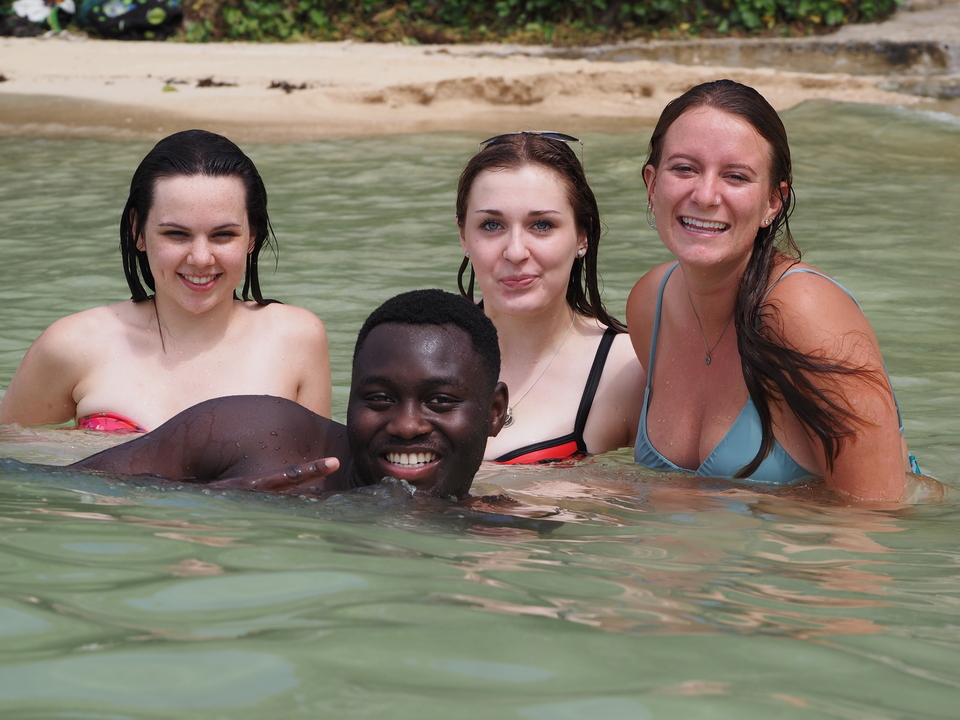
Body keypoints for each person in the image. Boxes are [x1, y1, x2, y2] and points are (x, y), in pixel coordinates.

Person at [627, 79, 918, 502]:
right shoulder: (650, 302)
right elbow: (682, 494)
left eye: (736, 176)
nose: (705, 195)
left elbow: (877, 514)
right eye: (685, 169)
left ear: (772, 202)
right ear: (652, 184)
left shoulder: (803, 312)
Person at [0, 129, 330, 433]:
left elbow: (321, 472)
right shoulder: (72, 344)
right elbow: (12, 458)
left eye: (223, 235)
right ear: (138, 230)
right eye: (176, 234)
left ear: (252, 236)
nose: (201, 258)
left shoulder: (296, 339)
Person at [72, 289, 509, 500]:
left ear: (494, 412)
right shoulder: (252, 434)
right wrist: (209, 501)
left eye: (439, 401)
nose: (406, 425)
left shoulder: (499, 529)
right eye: (379, 399)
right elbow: (55, 489)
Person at [456, 131, 644, 464]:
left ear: (582, 235)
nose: (515, 251)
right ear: (463, 237)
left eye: (541, 225)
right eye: (491, 225)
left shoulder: (628, 368)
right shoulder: (420, 352)